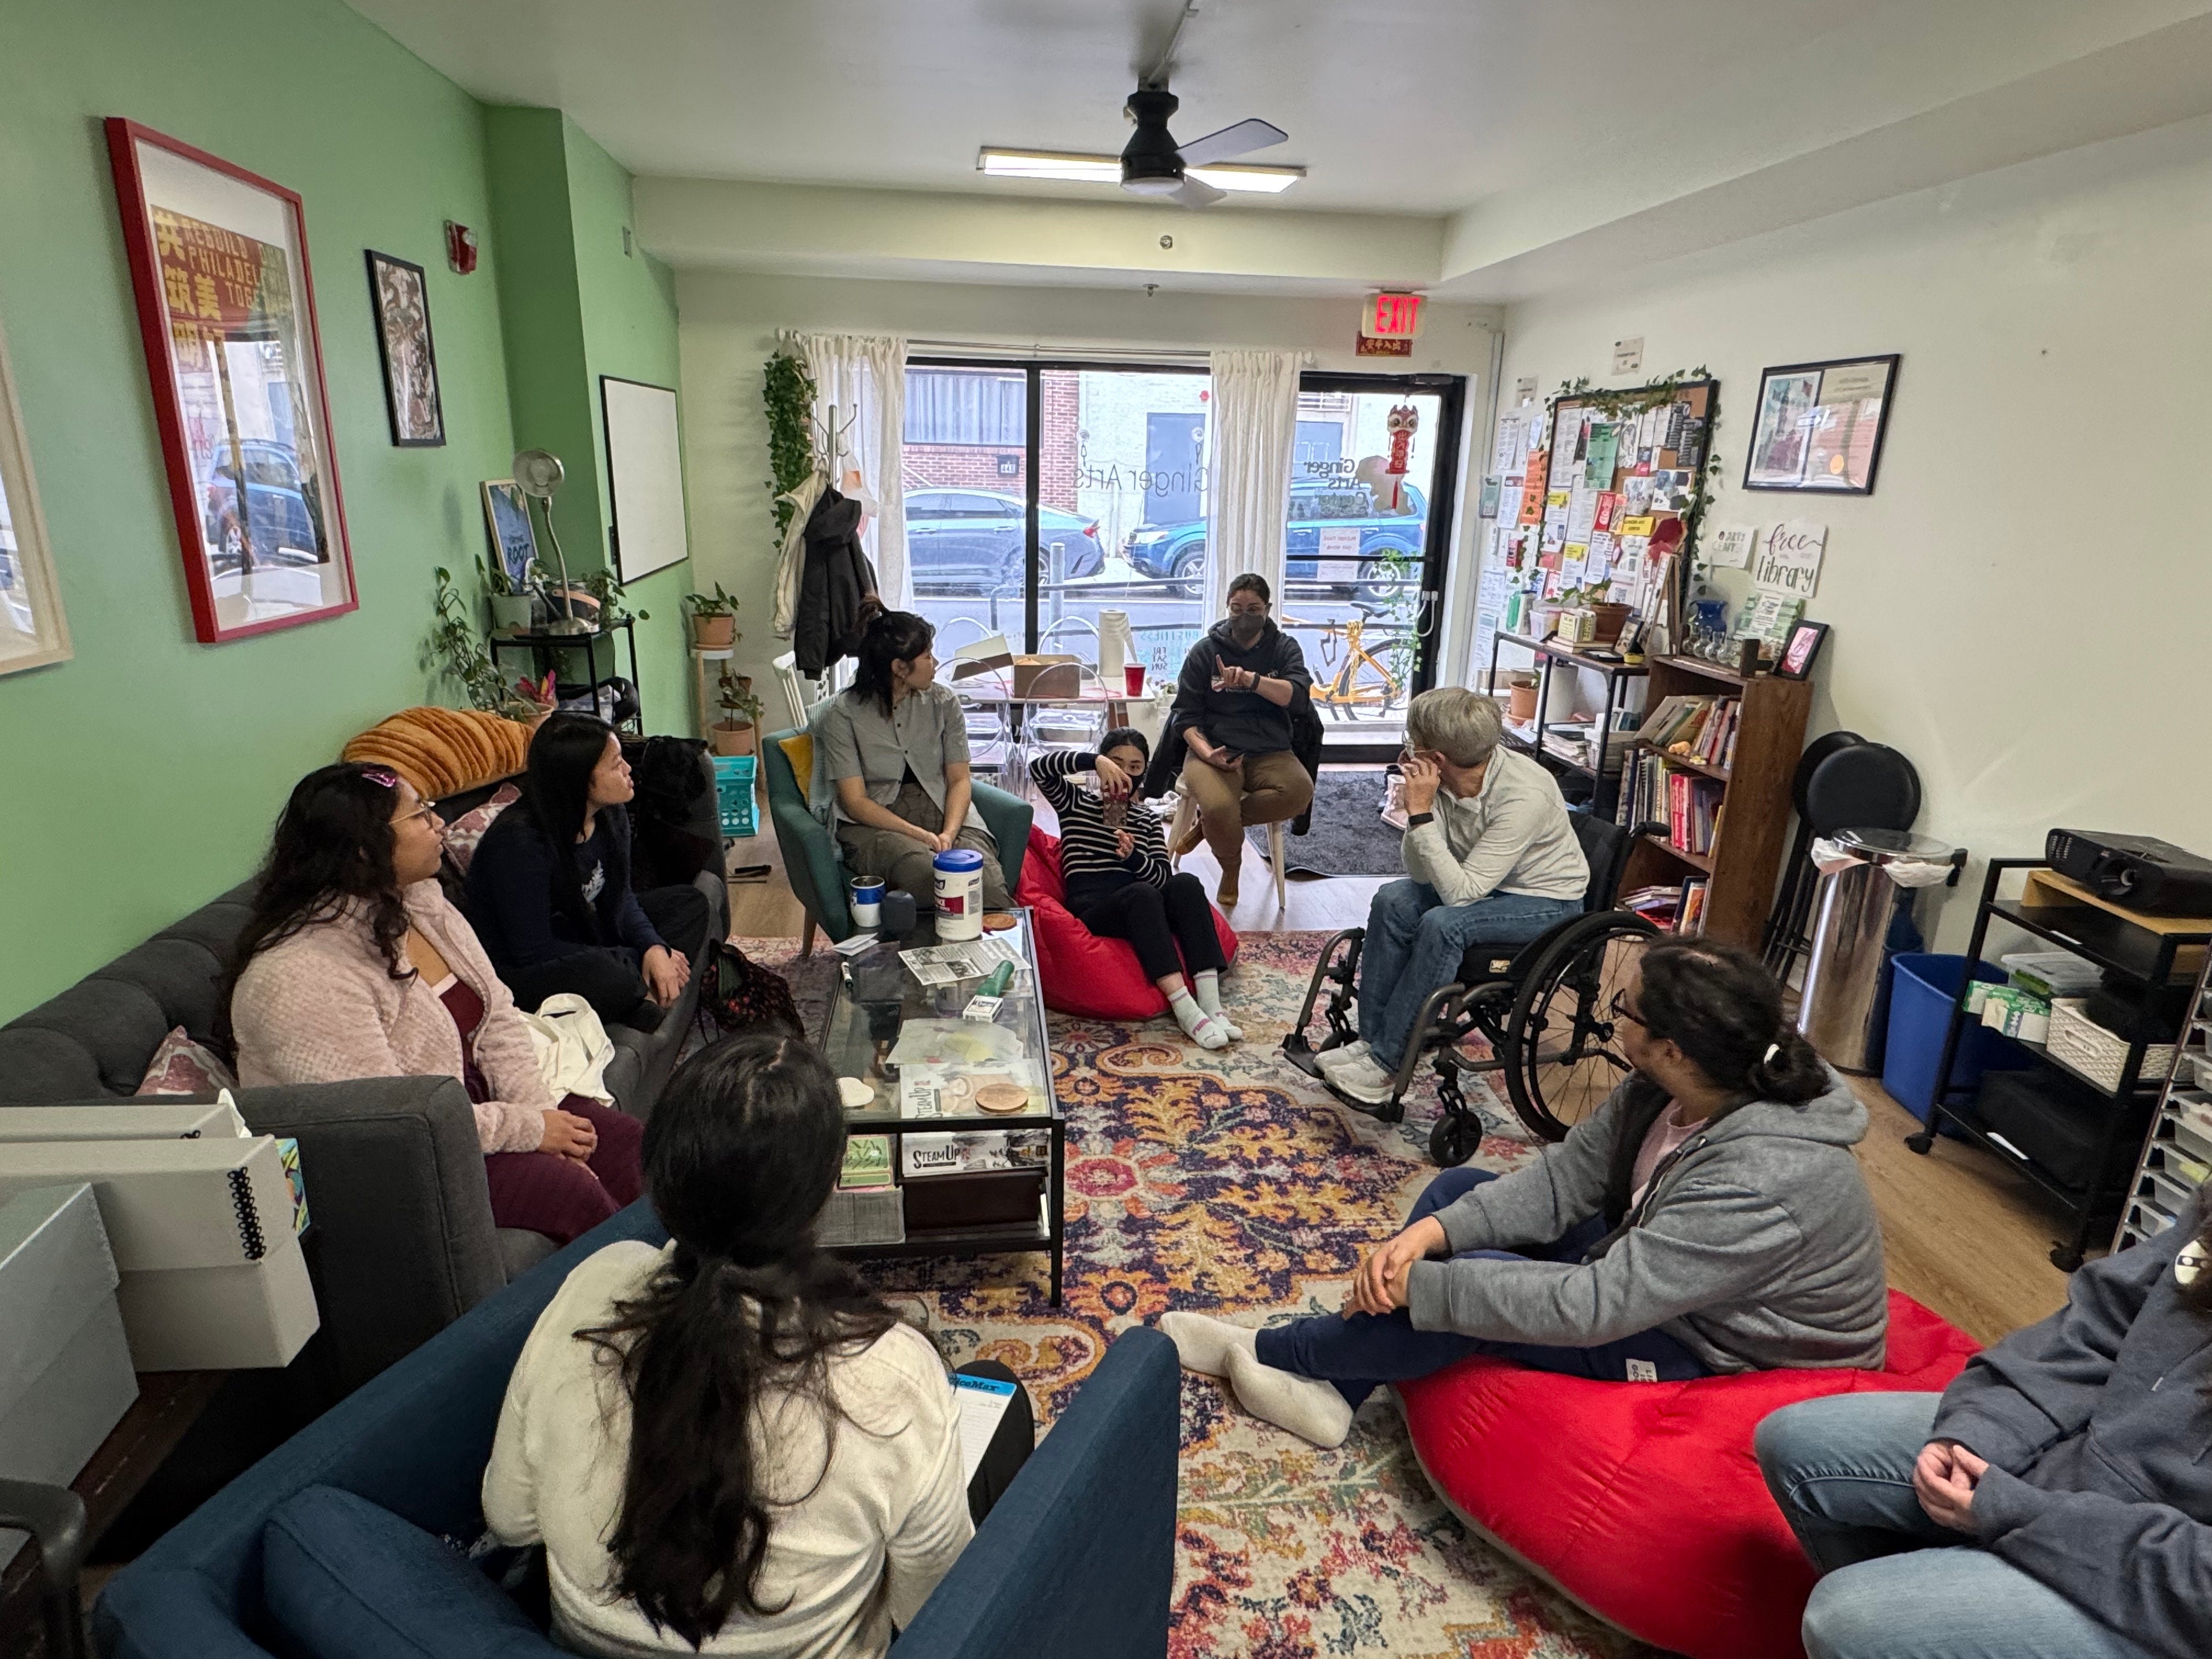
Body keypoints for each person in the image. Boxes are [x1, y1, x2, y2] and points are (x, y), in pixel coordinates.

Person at [1160, 940, 1887, 1448]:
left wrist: (1427, 1287)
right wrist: (1426, 1240)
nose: (1609, 1011)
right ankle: (1340, 1389)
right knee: (1456, 1195)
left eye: (1626, 1009)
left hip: (1725, 1348)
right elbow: (1565, 1178)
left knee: (1466, 1288)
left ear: (1673, 1048)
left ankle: (1275, 1350)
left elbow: (1597, 1306)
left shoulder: (1763, 1178)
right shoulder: (1671, 1082)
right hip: (1659, 1267)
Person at [483, 1034, 1035, 1658]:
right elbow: (933, 1608)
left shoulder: (594, 1286)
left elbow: (510, 1520)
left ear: (662, 1180)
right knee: (1000, 1393)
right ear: (827, 1190)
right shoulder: (891, 1373)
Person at [1755, 1193, 2212, 1659]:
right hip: (2087, 1477)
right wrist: (1983, 1427)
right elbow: (2101, 1321)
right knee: (1797, 1442)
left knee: (1847, 1621)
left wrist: (2021, 1515)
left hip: (2176, 1593)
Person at [227, 763, 642, 1245]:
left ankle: (682, 1282)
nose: (440, 823)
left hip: (476, 1110)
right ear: (365, 849)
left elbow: (499, 1017)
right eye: (421, 815)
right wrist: (530, 1130)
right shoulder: (299, 976)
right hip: (405, 1159)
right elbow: (394, 1119)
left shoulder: (420, 902)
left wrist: (540, 1116)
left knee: (627, 1143)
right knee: (571, 1191)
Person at [1319, 687, 1589, 1106]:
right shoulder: (1444, 780)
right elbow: (1419, 873)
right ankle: (1373, 1041)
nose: (1409, 750)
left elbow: (1460, 897)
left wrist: (1422, 812)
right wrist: (1419, 812)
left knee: (1443, 924)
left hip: (1545, 902)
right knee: (1393, 900)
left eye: (1414, 743)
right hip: (1480, 885)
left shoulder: (1524, 794)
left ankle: (1391, 1061)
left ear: (1437, 759)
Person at [466, 713, 711, 1033]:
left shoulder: (611, 812)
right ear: (579, 779)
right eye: (615, 764)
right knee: (612, 974)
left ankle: (642, 999)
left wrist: (654, 947)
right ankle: (637, 993)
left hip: (586, 932)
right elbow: (532, 951)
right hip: (530, 966)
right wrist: (637, 958)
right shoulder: (519, 843)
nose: (628, 769)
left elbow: (622, 899)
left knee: (690, 904)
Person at [1030, 729, 1235, 1048]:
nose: (1125, 774)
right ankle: (1185, 1009)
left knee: (1186, 883)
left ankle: (1211, 1006)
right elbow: (1040, 768)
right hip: (1095, 906)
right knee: (1141, 894)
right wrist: (1093, 760)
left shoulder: (1147, 819)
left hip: (1145, 906)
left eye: (1135, 767)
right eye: (1116, 763)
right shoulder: (1074, 803)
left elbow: (1162, 879)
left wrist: (1134, 858)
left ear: (1144, 771)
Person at [814, 608, 1010, 917]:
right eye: (928, 656)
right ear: (900, 668)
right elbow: (855, 801)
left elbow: (959, 779)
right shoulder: (844, 714)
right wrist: (917, 835)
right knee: (924, 875)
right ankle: (918, 957)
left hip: (942, 807)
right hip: (876, 821)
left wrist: (948, 833)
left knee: (985, 882)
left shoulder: (944, 703)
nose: (935, 663)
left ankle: (980, 962)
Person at [1141, 573, 1316, 908]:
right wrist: (1208, 754)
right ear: (1227, 607)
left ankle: (1208, 827)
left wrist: (1252, 680)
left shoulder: (1284, 648)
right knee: (1220, 805)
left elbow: (1296, 697)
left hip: (1270, 749)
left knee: (1299, 792)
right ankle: (1231, 869)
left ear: (1268, 609)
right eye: (1237, 608)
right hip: (1214, 748)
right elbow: (1185, 717)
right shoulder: (1205, 651)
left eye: (1253, 608)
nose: (1244, 616)